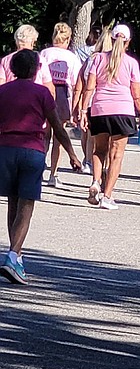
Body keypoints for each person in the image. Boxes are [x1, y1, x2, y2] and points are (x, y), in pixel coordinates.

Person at [0, 50, 81, 284]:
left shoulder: (3, 91)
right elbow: (57, 126)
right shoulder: (42, 92)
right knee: (26, 204)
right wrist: (72, 155)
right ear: (36, 69)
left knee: (13, 203)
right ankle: (13, 255)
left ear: (12, 69)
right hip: (32, 149)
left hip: (6, 148)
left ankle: (17, 257)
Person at [80, 24, 140, 209]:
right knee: (116, 155)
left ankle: (95, 181)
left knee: (99, 150)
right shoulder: (131, 62)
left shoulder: (98, 59)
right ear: (128, 41)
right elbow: (136, 93)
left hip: (100, 109)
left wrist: (84, 110)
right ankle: (107, 195)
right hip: (123, 110)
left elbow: (90, 86)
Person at [40, 23, 83, 187]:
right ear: (68, 39)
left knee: (44, 135)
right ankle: (53, 174)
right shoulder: (71, 57)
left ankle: (39, 169)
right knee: (59, 135)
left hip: (45, 91)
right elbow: (75, 82)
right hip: (62, 94)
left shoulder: (44, 53)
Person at [72, 29, 112, 176]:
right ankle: (104, 164)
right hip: (108, 101)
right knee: (106, 137)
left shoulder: (91, 59)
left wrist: (77, 105)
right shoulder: (116, 60)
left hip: (91, 100)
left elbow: (80, 84)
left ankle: (88, 161)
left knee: (89, 135)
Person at [0, 24, 55, 97]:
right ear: (32, 42)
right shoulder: (40, 60)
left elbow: (1, 84)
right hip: (35, 99)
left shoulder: (6, 60)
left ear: (16, 41)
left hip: (12, 99)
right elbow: (49, 87)